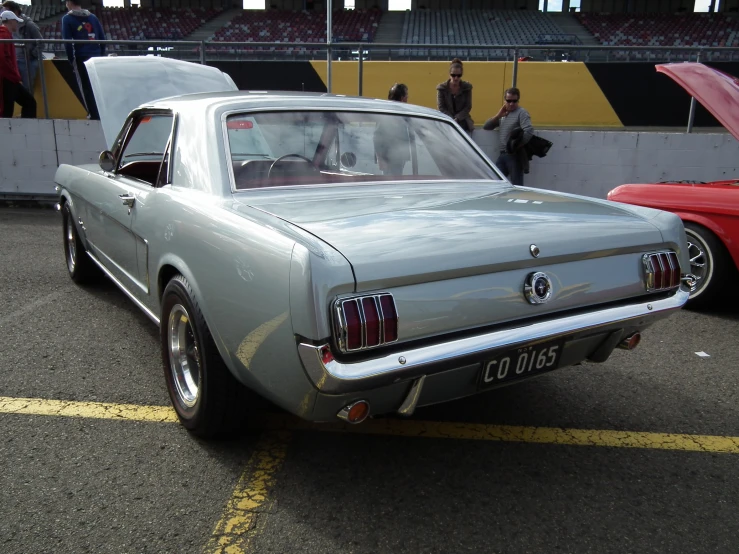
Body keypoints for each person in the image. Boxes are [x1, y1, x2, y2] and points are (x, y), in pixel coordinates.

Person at [61, 0, 106, 120]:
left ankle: (94, 115)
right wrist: (101, 54)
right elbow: (102, 38)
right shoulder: (93, 17)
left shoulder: (67, 19)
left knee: (86, 88)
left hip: (82, 56)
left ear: (69, 3)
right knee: (97, 86)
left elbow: (67, 42)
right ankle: (103, 112)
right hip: (96, 56)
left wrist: (71, 59)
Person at [483, 87, 534, 186]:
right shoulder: (504, 114)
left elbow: (529, 131)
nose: (511, 103)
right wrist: (498, 115)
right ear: (505, 100)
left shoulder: (521, 112)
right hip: (502, 154)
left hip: (514, 155)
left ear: (518, 100)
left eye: (514, 101)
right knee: (495, 182)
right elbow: (486, 126)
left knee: (516, 185)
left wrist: (516, 146)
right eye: (509, 101)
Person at [0, 9, 36, 118]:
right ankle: (27, 130)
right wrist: (13, 73)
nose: (17, 23)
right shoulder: (4, 34)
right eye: (16, 21)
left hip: (7, 78)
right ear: (10, 21)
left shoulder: (5, 34)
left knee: (8, 109)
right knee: (28, 103)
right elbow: (2, 57)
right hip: (7, 78)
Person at [1, 1, 42, 93]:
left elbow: (41, 42)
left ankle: (29, 105)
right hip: (14, 60)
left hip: (28, 61)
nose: (3, 14)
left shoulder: (29, 25)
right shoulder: (5, 27)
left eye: (7, 11)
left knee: (27, 89)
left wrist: (31, 54)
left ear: (15, 12)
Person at [374, 83, 411, 176]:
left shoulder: (402, 113)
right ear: (402, 98)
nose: (407, 99)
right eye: (407, 96)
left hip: (398, 156)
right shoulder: (388, 114)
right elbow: (377, 137)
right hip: (389, 157)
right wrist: (380, 159)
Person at [436, 58, 474, 134]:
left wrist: (458, 118)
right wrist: (451, 119)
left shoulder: (467, 88)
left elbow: (468, 106)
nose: (456, 78)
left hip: (462, 121)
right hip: (446, 119)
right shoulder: (442, 88)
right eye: (453, 75)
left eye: (458, 75)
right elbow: (441, 107)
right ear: (449, 74)